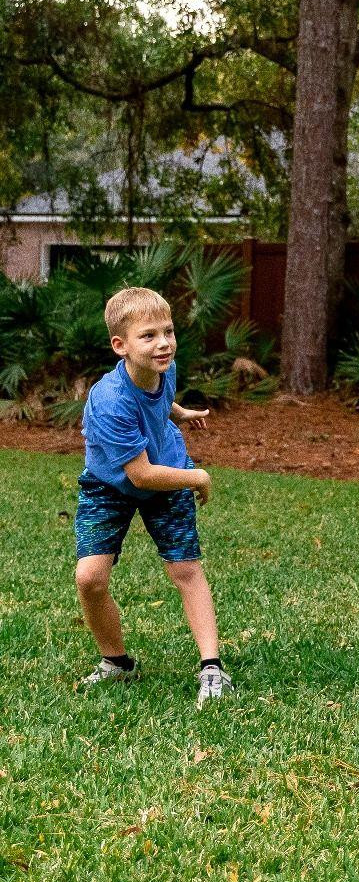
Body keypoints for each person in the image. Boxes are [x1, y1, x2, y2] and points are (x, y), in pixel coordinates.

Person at [74, 286, 233, 708]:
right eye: (148, 335)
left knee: (185, 569)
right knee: (89, 579)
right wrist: (197, 477)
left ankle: (212, 668)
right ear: (120, 346)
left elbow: (161, 400)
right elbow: (141, 475)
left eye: (168, 331)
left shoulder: (164, 366)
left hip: (166, 465)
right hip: (114, 484)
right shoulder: (109, 402)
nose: (163, 343)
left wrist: (181, 413)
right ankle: (117, 663)